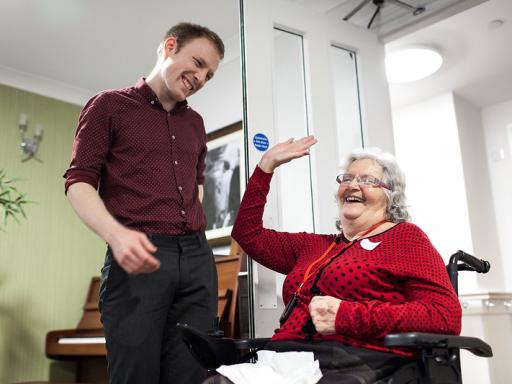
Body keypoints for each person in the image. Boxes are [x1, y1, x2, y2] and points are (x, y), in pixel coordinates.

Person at [213, 136, 462, 383]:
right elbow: (247, 234)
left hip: (354, 363)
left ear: (390, 196)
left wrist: (346, 315)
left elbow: (444, 316)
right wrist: (266, 166)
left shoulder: (405, 237)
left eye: (367, 180)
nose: (353, 185)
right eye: (348, 178)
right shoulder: (316, 245)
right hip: (284, 361)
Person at [64, 22, 225, 384]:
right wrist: (118, 236)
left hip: (198, 260)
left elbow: (195, 186)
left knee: (191, 374)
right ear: (170, 46)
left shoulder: (196, 124)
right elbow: (78, 182)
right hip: (140, 258)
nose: (200, 77)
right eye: (197, 63)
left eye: (209, 75)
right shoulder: (108, 106)